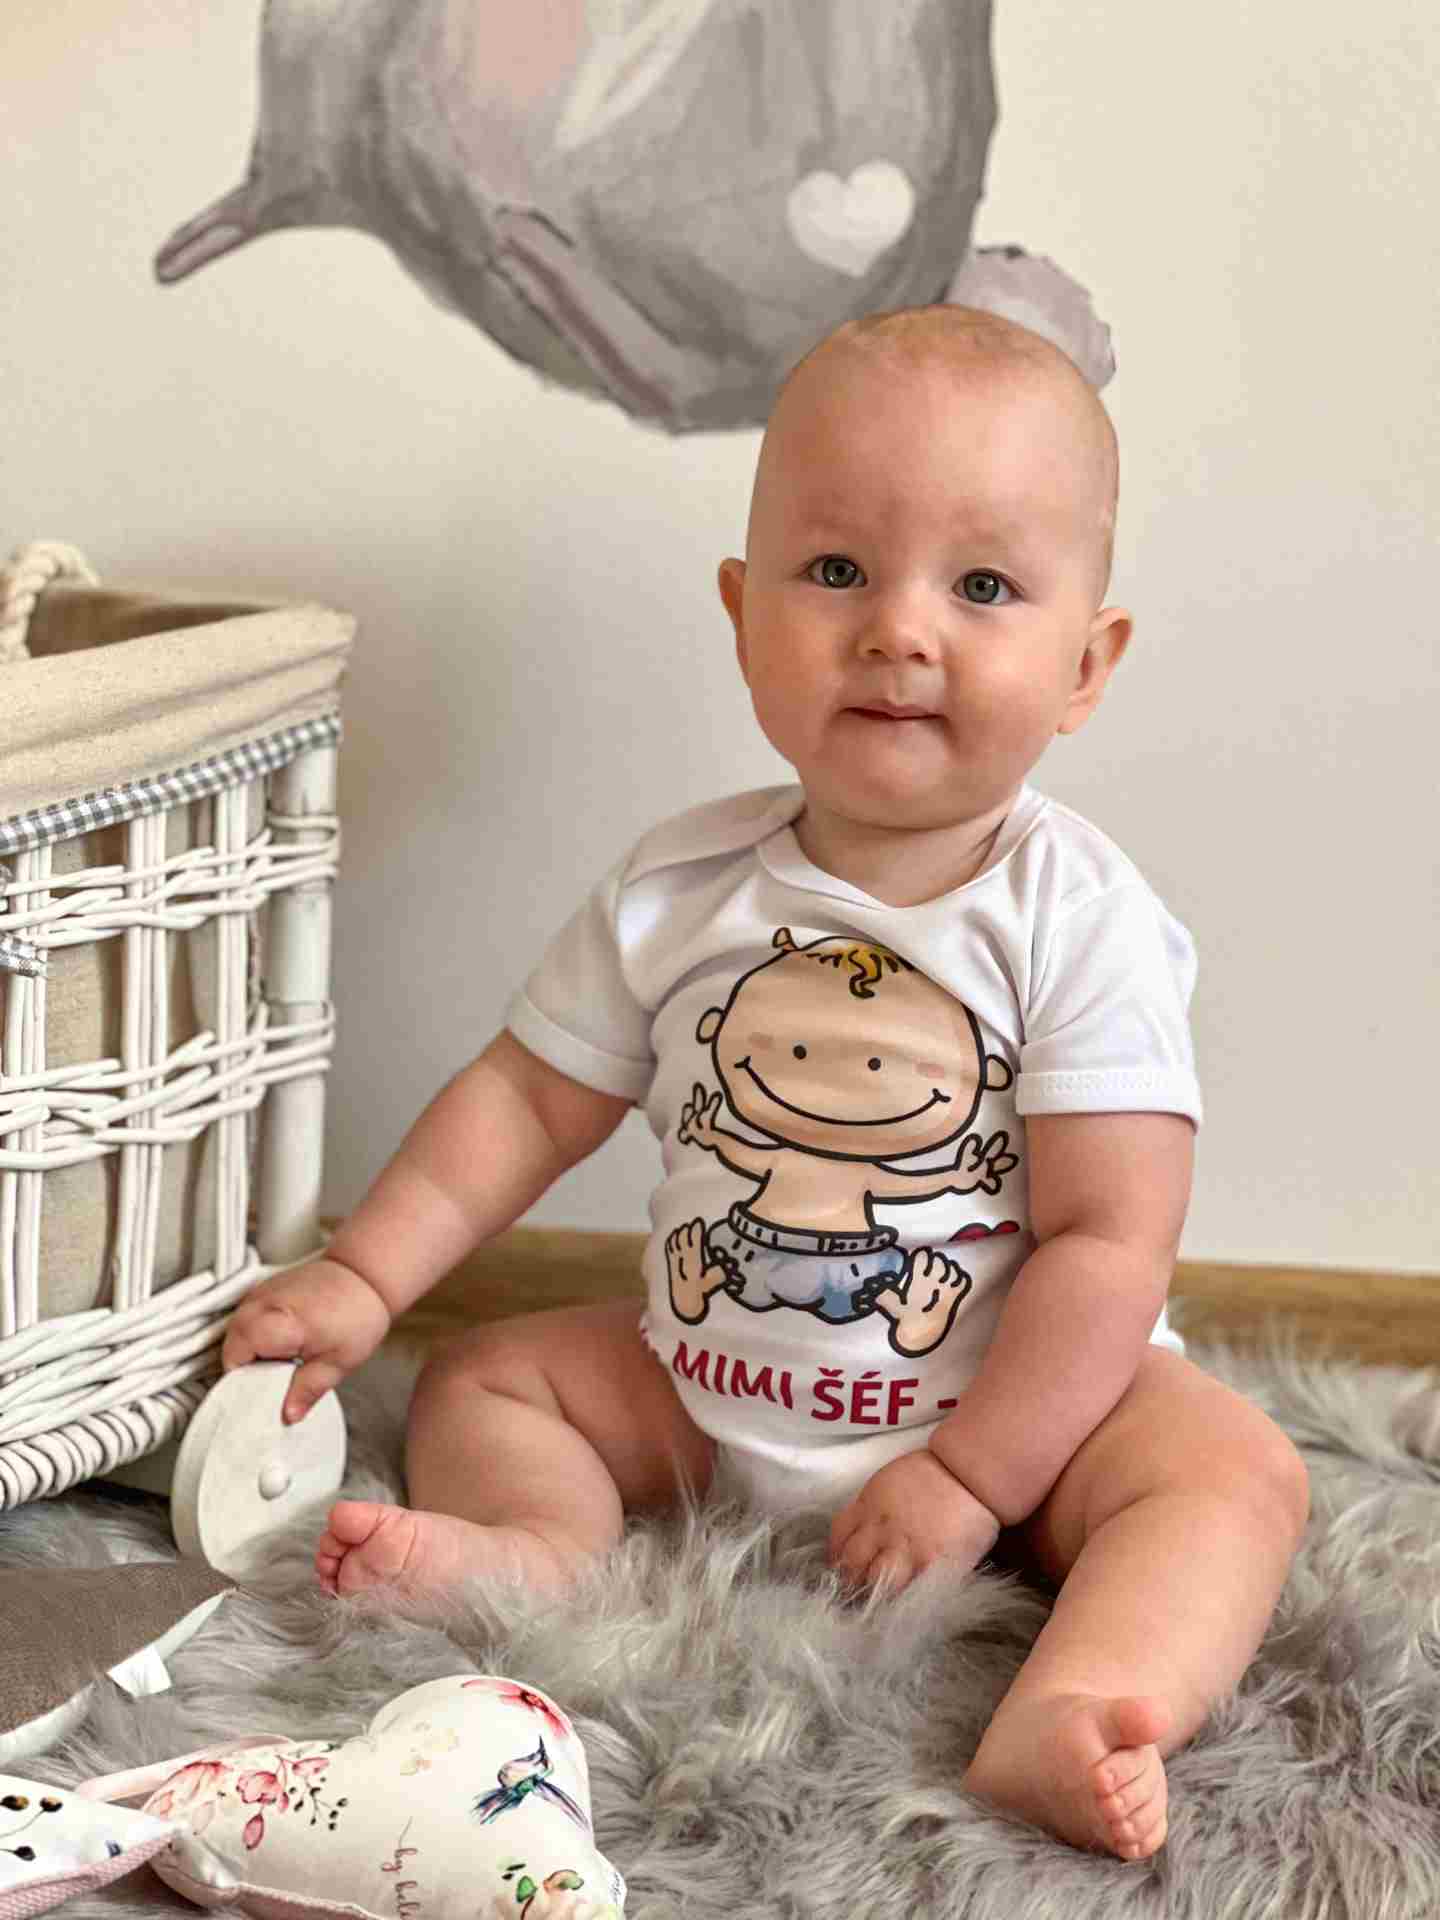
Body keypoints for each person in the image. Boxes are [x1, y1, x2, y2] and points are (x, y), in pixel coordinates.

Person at [222, 305, 1310, 1862]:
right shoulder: (681, 888)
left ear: (1086, 664)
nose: (900, 630)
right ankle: (545, 1549)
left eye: (983, 587)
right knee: (488, 1379)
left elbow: (1109, 1238)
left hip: (1024, 1421)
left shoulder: (1075, 915)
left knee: (1231, 1474)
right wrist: (366, 1277)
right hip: (714, 1383)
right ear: (743, 616)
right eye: (839, 569)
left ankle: (1079, 1700)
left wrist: (969, 1475)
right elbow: (525, 1101)